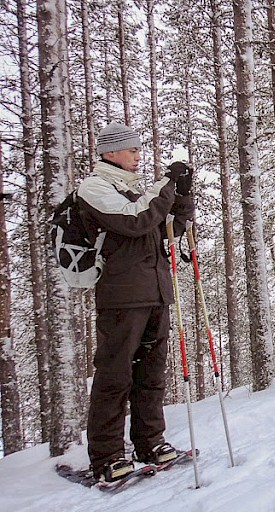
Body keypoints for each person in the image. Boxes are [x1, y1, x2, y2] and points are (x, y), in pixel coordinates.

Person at [77, 122, 194, 482]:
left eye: (138, 150)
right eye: (132, 150)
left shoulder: (136, 189)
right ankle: (107, 455)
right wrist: (165, 187)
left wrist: (183, 196)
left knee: (151, 372)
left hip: (155, 290)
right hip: (121, 295)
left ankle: (150, 441)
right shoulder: (95, 188)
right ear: (110, 152)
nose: (138, 156)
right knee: (115, 374)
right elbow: (136, 221)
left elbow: (169, 229)